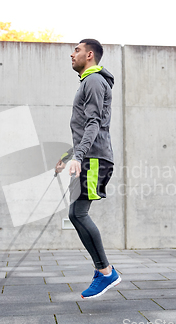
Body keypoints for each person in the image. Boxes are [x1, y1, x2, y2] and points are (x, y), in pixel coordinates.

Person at [54, 39, 121, 299]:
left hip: (94, 159)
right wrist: (68, 155)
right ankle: (102, 270)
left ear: (90, 55)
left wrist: (79, 156)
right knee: (75, 213)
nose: (72, 54)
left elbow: (94, 123)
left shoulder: (93, 81)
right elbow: (87, 128)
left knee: (78, 213)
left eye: (77, 50)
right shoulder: (90, 81)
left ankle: (106, 272)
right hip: (90, 157)